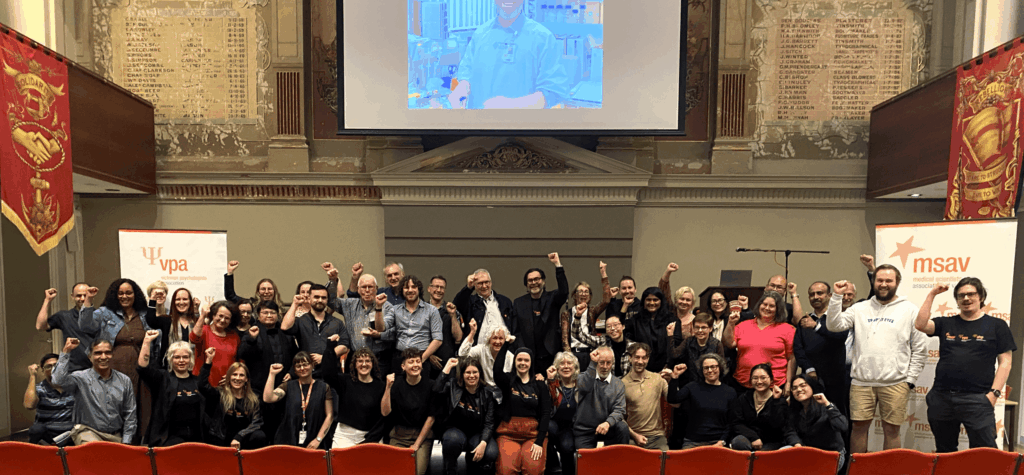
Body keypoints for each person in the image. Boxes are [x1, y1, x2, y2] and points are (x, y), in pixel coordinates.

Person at [826, 265, 928, 453]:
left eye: (888, 280)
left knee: (891, 431)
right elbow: (833, 325)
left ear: (897, 282)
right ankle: (858, 470)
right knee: (858, 429)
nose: (883, 284)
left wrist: (910, 381)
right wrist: (836, 297)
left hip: (896, 383)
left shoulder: (910, 310)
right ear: (873, 282)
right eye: (879, 280)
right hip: (861, 382)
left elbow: (920, 349)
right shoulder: (859, 308)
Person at [916, 278, 1015, 452]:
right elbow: (921, 324)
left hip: (978, 399)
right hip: (942, 398)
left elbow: (1005, 363)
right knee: (945, 450)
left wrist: (994, 394)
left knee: (983, 452)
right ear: (957, 300)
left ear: (981, 296)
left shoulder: (997, 326)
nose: (966, 298)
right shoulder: (946, 323)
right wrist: (932, 294)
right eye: (961, 295)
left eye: (971, 294)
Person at [79, 278, 159, 444]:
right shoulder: (104, 313)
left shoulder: (145, 314)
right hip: (113, 369)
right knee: (114, 405)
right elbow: (85, 326)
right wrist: (88, 300)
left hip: (141, 371)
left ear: (135, 294)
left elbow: (158, 338)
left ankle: (134, 445)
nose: (124, 296)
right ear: (115, 295)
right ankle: (115, 445)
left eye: (128, 292)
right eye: (120, 293)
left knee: (140, 408)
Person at [448, 0, 569, 110]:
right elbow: (466, 71)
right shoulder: (480, 35)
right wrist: (462, 87)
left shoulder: (543, 39)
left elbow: (552, 93)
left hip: (521, 131)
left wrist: (510, 106)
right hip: (479, 128)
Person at [51, 338, 136, 445]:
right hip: (88, 432)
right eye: (98, 353)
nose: (103, 357)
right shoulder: (80, 378)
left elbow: (130, 415)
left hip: (115, 436)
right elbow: (57, 380)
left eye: (108, 353)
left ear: (112, 355)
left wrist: (126, 442)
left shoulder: (124, 380)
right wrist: (66, 351)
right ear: (90, 357)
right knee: (96, 452)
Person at [137, 330, 207, 446]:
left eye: (185, 357)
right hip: (169, 439)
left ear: (190, 359)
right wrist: (146, 342)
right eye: (177, 357)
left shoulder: (197, 381)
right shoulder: (162, 378)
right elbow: (142, 369)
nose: (181, 361)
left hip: (196, 438)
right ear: (170, 359)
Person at [793, 282, 850, 418]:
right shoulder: (804, 321)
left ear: (829, 296)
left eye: (820, 293)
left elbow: (839, 338)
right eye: (812, 294)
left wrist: (816, 327)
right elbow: (798, 349)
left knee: (837, 416)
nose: (815, 297)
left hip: (836, 378)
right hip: (811, 378)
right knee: (812, 416)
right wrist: (808, 368)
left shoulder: (838, 319)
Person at [324, 266, 396, 374]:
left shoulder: (387, 307)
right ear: (358, 289)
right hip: (355, 358)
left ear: (376, 289)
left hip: (379, 359)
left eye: (370, 287)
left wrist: (377, 333)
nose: (367, 290)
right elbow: (330, 302)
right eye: (363, 287)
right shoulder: (349, 304)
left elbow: (387, 330)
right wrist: (333, 281)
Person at [494, 343, 551, 475]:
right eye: (519, 360)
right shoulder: (508, 380)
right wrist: (505, 345)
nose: (522, 363)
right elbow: (497, 371)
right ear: (515, 362)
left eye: (526, 360)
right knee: (505, 471)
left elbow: (545, 413)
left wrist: (539, 441)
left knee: (533, 471)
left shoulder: (539, 384)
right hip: (508, 433)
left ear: (531, 363)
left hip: (532, 435)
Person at [435, 357, 498, 475]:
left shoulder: (487, 393)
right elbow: (436, 391)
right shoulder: (453, 386)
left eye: (475, 372)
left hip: (477, 433)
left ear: (480, 374)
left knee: (490, 452)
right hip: (455, 430)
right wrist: (447, 367)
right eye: (468, 372)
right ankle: (450, 469)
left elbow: (489, 423)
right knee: (452, 441)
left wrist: (483, 443)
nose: (471, 376)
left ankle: (472, 466)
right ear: (462, 374)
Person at [724, 290, 795, 394]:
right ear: (759, 305)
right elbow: (729, 343)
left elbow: (791, 359)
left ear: (778, 309)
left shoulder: (788, 329)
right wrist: (731, 323)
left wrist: (789, 383)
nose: (767, 308)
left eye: (772, 306)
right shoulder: (743, 325)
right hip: (743, 383)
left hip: (774, 386)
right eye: (764, 304)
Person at [321, 340, 387, 448]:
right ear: (355, 365)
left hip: (371, 436)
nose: (364, 364)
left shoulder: (381, 386)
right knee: (338, 463)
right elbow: (328, 374)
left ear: (373, 364)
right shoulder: (345, 381)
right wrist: (330, 347)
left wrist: (369, 440)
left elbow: (382, 419)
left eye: (367, 361)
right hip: (345, 434)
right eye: (360, 361)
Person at [383, 348, 438, 475]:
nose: (415, 365)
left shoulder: (431, 385)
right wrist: (387, 387)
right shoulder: (395, 384)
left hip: (422, 437)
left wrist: (416, 445)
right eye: (411, 362)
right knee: (396, 471)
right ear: (403, 366)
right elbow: (385, 412)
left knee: (417, 472)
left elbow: (431, 419)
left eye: (418, 361)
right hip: (399, 436)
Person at [511, 253, 569, 373]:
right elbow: (516, 331)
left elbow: (564, 291)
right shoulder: (519, 302)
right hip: (528, 357)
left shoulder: (552, 298)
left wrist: (558, 265)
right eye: (530, 280)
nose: (534, 282)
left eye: (537, 279)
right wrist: (522, 351)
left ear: (543, 281)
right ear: (526, 284)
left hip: (550, 354)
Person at [375, 275, 443, 375]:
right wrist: (378, 307)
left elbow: (438, 340)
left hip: (422, 357)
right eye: (406, 287)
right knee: (398, 388)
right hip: (399, 358)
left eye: (413, 287)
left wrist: (421, 359)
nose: (410, 290)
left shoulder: (431, 310)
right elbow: (380, 328)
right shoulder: (395, 309)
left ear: (419, 290)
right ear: (402, 290)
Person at [198, 351, 267, 449]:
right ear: (229, 377)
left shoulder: (254, 398)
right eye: (234, 374)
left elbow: (257, 423)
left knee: (259, 436)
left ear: (247, 379)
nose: (237, 378)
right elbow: (202, 385)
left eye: (241, 375)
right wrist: (208, 361)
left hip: (242, 438)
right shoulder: (220, 393)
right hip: (221, 438)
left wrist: (239, 436)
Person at [666, 353, 737, 449]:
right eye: (706, 368)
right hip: (693, 442)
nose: (710, 370)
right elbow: (673, 399)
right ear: (702, 371)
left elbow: (732, 422)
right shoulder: (692, 387)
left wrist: (722, 441)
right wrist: (674, 377)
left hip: (718, 442)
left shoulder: (730, 392)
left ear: (720, 368)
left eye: (713, 367)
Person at [263, 353, 333, 449]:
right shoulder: (288, 386)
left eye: (305, 364)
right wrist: (272, 374)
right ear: (294, 369)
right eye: (298, 366)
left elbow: (330, 415)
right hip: (289, 439)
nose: (302, 368)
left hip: (315, 438)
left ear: (312, 365)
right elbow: (268, 398)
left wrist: (318, 439)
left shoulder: (324, 387)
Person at [281, 284, 350, 377]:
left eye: (323, 298)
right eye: (316, 297)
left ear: (327, 300)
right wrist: (295, 304)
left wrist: (324, 357)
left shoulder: (337, 322)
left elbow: (344, 346)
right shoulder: (301, 321)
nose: (320, 300)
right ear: (309, 299)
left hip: (332, 374)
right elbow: (285, 327)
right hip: (307, 374)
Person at [728, 364, 798, 451]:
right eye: (755, 378)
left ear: (771, 379)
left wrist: (775, 401)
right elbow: (736, 423)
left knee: (763, 455)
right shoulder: (744, 398)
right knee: (738, 442)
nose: (759, 381)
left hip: (771, 442)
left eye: (763, 378)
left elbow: (779, 425)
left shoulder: (779, 400)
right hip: (749, 438)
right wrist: (753, 437)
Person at [573, 346, 629, 449]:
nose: (605, 366)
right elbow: (585, 387)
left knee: (623, 427)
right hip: (585, 430)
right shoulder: (583, 377)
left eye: (608, 363)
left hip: (608, 428)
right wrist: (592, 364)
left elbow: (620, 410)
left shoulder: (618, 384)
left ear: (612, 363)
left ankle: (621, 461)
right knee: (584, 462)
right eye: (601, 362)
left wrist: (608, 423)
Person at [562, 261, 611, 370]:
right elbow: (565, 337)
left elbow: (607, 300)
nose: (583, 294)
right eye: (580, 291)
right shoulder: (567, 314)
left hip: (590, 353)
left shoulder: (592, 311)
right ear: (574, 295)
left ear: (590, 296)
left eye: (586, 292)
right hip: (574, 354)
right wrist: (569, 357)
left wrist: (603, 274)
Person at [35, 284, 96, 372]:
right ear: (72, 297)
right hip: (73, 371)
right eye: (78, 296)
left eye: (85, 295)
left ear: (92, 295)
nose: (82, 299)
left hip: (97, 370)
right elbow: (40, 326)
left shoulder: (100, 315)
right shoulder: (64, 316)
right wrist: (47, 300)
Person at [789, 374, 847, 465]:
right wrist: (797, 444)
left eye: (803, 385)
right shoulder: (794, 409)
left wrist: (827, 404)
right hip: (809, 452)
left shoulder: (825, 405)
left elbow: (843, 426)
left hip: (831, 454)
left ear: (812, 386)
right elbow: (790, 431)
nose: (799, 390)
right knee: (784, 451)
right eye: (794, 388)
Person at [622, 343, 670, 450]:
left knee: (665, 461)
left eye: (644, 358)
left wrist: (674, 380)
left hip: (657, 436)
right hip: (633, 437)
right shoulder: (622, 384)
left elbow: (675, 403)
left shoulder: (658, 379)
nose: (640, 361)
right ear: (630, 358)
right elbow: (619, 417)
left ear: (648, 359)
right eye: (637, 357)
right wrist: (635, 435)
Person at [454, 268, 515, 347]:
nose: (484, 286)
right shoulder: (470, 302)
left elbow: (513, 326)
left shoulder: (504, 301)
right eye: (480, 283)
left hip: (503, 349)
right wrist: (468, 288)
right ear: (474, 285)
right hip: (479, 350)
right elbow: (456, 305)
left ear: (491, 282)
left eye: (487, 282)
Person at [24, 353, 74, 445]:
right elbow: (29, 405)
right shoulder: (39, 388)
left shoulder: (72, 385)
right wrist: (32, 376)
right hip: (47, 430)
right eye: (48, 366)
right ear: (42, 371)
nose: (53, 368)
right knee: (35, 430)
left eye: (56, 365)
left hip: (70, 430)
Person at [190, 301, 242, 387]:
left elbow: (239, 361)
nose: (222, 320)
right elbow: (193, 338)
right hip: (202, 385)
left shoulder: (234, 336)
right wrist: (203, 315)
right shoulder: (204, 330)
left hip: (226, 387)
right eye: (220, 316)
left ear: (230, 321)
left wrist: (233, 376)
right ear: (213, 315)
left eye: (227, 318)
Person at [624, 287, 673, 373]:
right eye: (648, 300)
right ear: (643, 301)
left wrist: (668, 365)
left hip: (666, 368)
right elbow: (626, 339)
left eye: (655, 300)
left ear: (661, 301)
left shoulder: (671, 319)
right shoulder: (635, 320)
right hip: (641, 367)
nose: (652, 303)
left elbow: (674, 345)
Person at [545, 352, 579, 475]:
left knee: (567, 447)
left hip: (570, 426)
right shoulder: (551, 383)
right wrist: (550, 380)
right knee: (546, 428)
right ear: (557, 368)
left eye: (569, 363)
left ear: (575, 367)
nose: (565, 366)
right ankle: (553, 465)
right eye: (562, 364)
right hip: (553, 424)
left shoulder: (580, 384)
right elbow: (544, 405)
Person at [459, 319, 515, 387]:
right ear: (489, 339)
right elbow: (462, 354)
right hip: (484, 390)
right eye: (494, 338)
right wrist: (472, 332)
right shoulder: (481, 349)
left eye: (501, 338)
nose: (497, 342)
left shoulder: (511, 357)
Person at [739, 275, 804, 324]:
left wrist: (793, 293)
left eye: (779, 287)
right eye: (772, 285)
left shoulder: (789, 308)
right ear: (766, 287)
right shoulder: (757, 305)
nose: (775, 289)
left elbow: (799, 321)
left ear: (785, 292)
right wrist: (745, 308)